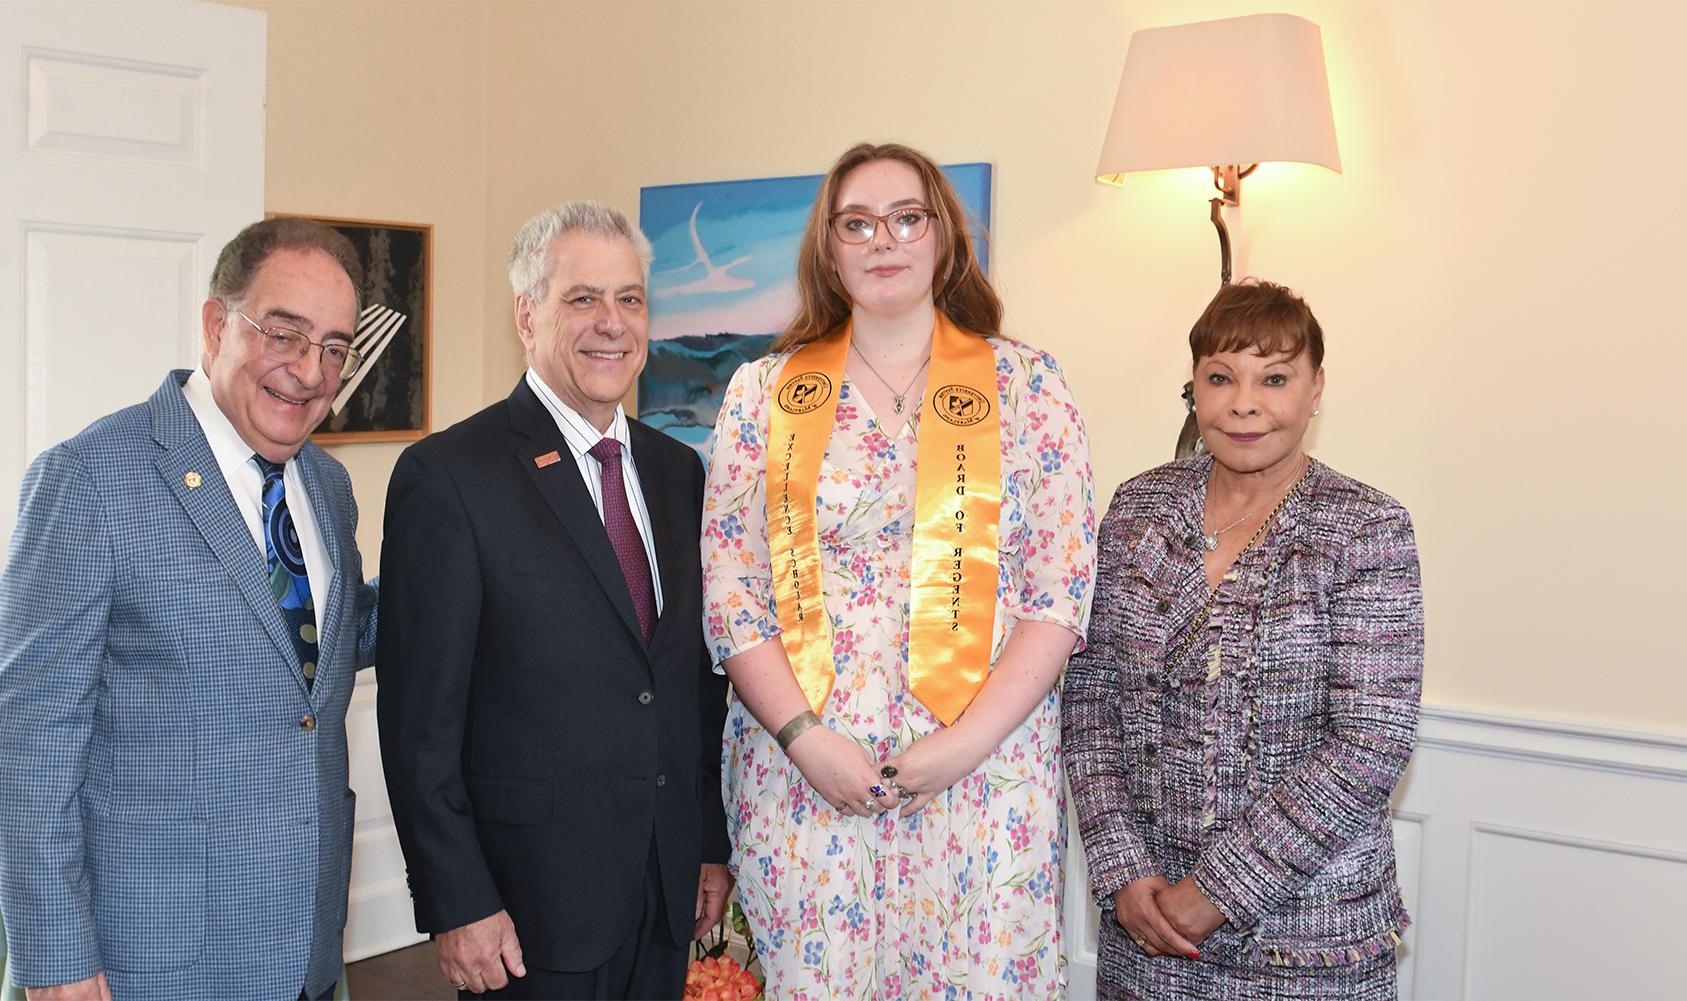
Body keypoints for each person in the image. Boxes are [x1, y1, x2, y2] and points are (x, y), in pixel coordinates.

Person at [701, 142, 1095, 999]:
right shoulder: (760, 395)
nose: (884, 240)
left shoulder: (1027, 387)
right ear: (829, 248)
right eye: (857, 223)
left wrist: (964, 745)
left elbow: (1058, 592)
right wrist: (806, 739)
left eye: (906, 217)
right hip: (805, 777)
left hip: (983, 778)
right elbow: (732, 592)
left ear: (942, 236)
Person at [0, 218, 379, 1001]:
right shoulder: (89, 479)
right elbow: (30, 743)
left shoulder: (327, 485)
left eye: (335, 347)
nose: (310, 371)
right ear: (215, 325)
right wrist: (57, 960)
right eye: (285, 333)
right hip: (147, 961)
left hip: (306, 948)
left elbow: (318, 648)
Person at [377, 202, 731, 998]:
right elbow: (419, 724)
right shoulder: (449, 477)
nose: (612, 324)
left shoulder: (679, 473)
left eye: (630, 299)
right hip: (526, 908)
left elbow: (688, 683)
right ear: (526, 314)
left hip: (663, 890)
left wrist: (707, 840)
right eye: (583, 299)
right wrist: (457, 900)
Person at [1063, 279, 1424, 1001]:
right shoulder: (1137, 507)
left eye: (1276, 377)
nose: (1245, 402)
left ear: (1316, 389)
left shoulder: (1365, 526)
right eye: (1221, 377)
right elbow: (1089, 696)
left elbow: (1370, 741)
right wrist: (1122, 867)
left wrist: (1217, 890)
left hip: (1308, 941)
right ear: (1193, 389)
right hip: (1148, 930)